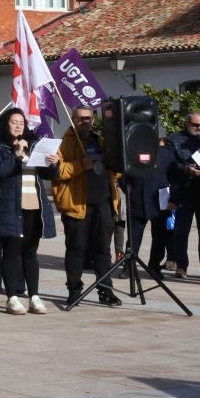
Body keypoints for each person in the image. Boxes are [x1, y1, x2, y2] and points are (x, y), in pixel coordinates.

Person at [0, 106, 56, 315]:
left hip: (34, 206)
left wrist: (51, 164)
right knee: (11, 251)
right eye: (14, 122)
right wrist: (16, 153)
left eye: (22, 123)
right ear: (6, 124)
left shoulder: (33, 146)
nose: (19, 126)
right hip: (9, 207)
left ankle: (34, 296)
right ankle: (12, 297)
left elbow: (47, 175)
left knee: (30, 251)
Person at [51, 107, 121, 308]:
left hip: (103, 202)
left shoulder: (100, 141)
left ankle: (105, 290)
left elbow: (114, 172)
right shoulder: (63, 143)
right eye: (81, 119)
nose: (85, 122)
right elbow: (57, 172)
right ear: (72, 120)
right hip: (76, 204)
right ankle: (74, 290)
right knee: (76, 250)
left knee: (103, 250)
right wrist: (81, 165)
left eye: (89, 118)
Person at [117, 115, 177, 281]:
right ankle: (128, 267)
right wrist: (130, 190)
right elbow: (123, 177)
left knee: (160, 237)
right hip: (137, 199)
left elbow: (175, 175)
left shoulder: (167, 153)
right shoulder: (132, 151)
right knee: (134, 236)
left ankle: (154, 267)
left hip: (161, 201)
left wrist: (174, 198)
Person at [165, 111, 200, 278]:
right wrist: (186, 169)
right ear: (187, 123)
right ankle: (181, 266)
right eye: (196, 125)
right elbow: (170, 165)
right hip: (184, 192)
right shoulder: (173, 138)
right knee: (181, 231)